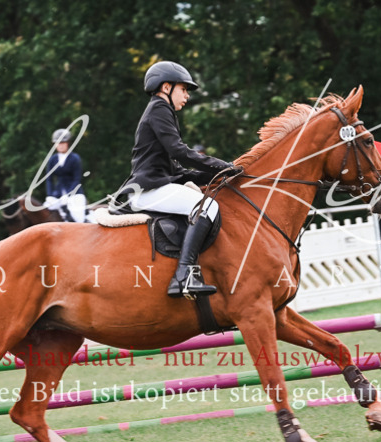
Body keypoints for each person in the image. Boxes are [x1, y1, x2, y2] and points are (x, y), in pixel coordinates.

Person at [115, 61, 241, 298]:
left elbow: (178, 169)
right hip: (149, 189)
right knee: (207, 206)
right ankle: (184, 275)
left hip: (155, 185)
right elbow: (180, 152)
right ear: (166, 87)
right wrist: (222, 165)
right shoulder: (159, 109)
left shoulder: (161, 111)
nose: (187, 96)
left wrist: (219, 173)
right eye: (183, 89)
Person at [44, 128, 87, 222]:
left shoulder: (75, 158)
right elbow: (49, 179)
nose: (60, 145)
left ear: (68, 143)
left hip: (75, 194)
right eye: (58, 143)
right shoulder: (52, 160)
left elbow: (77, 179)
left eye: (63, 143)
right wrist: (50, 195)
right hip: (58, 194)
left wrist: (68, 195)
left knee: (78, 219)